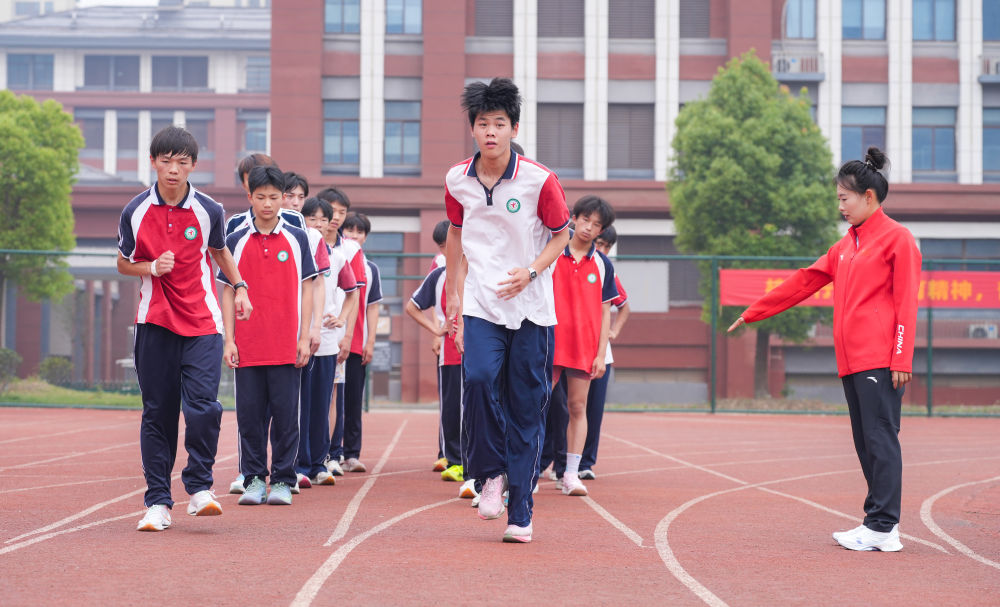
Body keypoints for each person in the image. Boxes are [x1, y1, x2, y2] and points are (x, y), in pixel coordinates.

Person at [728, 147, 920, 552]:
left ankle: (883, 526)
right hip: (851, 362)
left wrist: (901, 357)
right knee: (865, 443)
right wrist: (752, 313)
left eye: (844, 198)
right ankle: (879, 524)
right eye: (838, 199)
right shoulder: (845, 246)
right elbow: (803, 282)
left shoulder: (898, 239)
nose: (840, 207)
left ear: (868, 196)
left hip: (881, 359)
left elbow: (906, 302)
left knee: (880, 440)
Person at [444, 77, 570, 543]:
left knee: (525, 409)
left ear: (514, 128)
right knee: (477, 379)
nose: (491, 131)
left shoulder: (540, 180)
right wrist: (454, 294)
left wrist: (531, 272)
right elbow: (455, 233)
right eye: (483, 123)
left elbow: (561, 235)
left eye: (499, 123)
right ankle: (490, 474)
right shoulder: (457, 179)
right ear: (472, 129)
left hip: (532, 309)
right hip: (481, 303)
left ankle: (521, 512)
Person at [119, 125, 252, 532]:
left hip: (202, 323)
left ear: (194, 165)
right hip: (155, 323)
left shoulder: (209, 209)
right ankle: (158, 502)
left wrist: (241, 287)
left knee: (204, 407)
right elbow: (123, 262)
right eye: (166, 161)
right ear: (153, 162)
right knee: (158, 414)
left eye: (182, 162)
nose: (173, 169)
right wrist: (150, 267)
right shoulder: (135, 211)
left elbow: (220, 251)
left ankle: (199, 486)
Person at [220, 165, 317, 506]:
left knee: (287, 417)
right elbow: (228, 291)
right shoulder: (235, 240)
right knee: (249, 417)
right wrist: (229, 340)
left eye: (274, 197)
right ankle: (253, 480)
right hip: (248, 345)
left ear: (283, 198)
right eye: (260, 197)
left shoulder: (297, 238)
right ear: (249, 197)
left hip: (286, 344)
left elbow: (308, 288)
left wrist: (303, 337)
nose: (267, 204)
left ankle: (283, 480)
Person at [549, 195, 618, 497]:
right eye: (585, 220)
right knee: (535, 407)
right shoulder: (552, 252)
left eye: (596, 225)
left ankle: (571, 474)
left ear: (602, 230)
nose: (589, 227)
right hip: (550, 344)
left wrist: (600, 354)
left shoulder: (602, 264)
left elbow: (606, 312)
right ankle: (526, 472)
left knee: (578, 407)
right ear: (574, 218)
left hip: (583, 348)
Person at [296, 196, 359, 486]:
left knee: (322, 404)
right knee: (300, 405)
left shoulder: (338, 257)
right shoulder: (296, 247)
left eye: (324, 218)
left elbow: (353, 291)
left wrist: (342, 319)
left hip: (327, 341)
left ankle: (318, 463)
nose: (319, 224)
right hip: (299, 337)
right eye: (313, 218)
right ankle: (299, 462)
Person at [405, 220, 466, 486]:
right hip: (451, 354)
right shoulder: (439, 275)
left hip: (484, 353)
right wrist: (436, 330)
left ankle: (478, 462)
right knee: (452, 409)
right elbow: (412, 307)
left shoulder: (483, 269)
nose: (449, 250)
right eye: (444, 246)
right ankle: (455, 461)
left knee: (479, 408)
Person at [316, 187, 365, 476]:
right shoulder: (307, 240)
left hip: (335, 335)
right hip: (307, 332)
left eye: (342, 212)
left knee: (333, 394)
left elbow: (354, 294)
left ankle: (333, 453)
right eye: (331, 211)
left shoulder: (351, 250)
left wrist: (347, 336)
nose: (336, 217)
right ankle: (309, 454)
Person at [580, 226, 630, 479]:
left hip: (600, 353)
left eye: (607, 247)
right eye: (600, 244)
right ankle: (555, 461)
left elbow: (624, 306)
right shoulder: (572, 263)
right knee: (564, 409)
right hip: (571, 350)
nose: (602, 250)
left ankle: (585, 463)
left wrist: (614, 332)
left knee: (593, 410)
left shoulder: (606, 270)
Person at [338, 212, 383, 473]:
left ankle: (351, 453)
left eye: (360, 231)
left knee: (353, 401)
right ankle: (329, 451)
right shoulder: (334, 256)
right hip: (333, 342)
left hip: (357, 343)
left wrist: (371, 341)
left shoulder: (371, 269)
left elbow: (373, 307)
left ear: (365, 236)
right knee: (333, 401)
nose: (354, 235)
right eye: (350, 230)